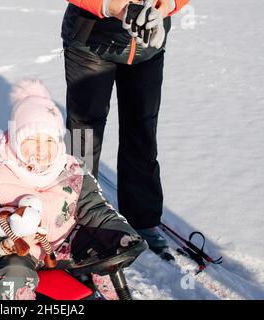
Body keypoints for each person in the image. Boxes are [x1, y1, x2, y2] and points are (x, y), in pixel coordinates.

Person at [0, 79, 141, 300]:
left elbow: (97, 210)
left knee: (105, 248)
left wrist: (120, 234)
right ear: (15, 140)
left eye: (49, 141)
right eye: (31, 140)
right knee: (13, 272)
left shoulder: (73, 171)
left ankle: (118, 296)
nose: (41, 150)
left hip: (64, 246)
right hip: (19, 251)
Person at [61, 0, 190, 259]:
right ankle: (77, 220)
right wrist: (113, 7)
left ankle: (142, 219)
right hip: (91, 43)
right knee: (84, 136)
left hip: (147, 48)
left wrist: (165, 7)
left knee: (141, 130)